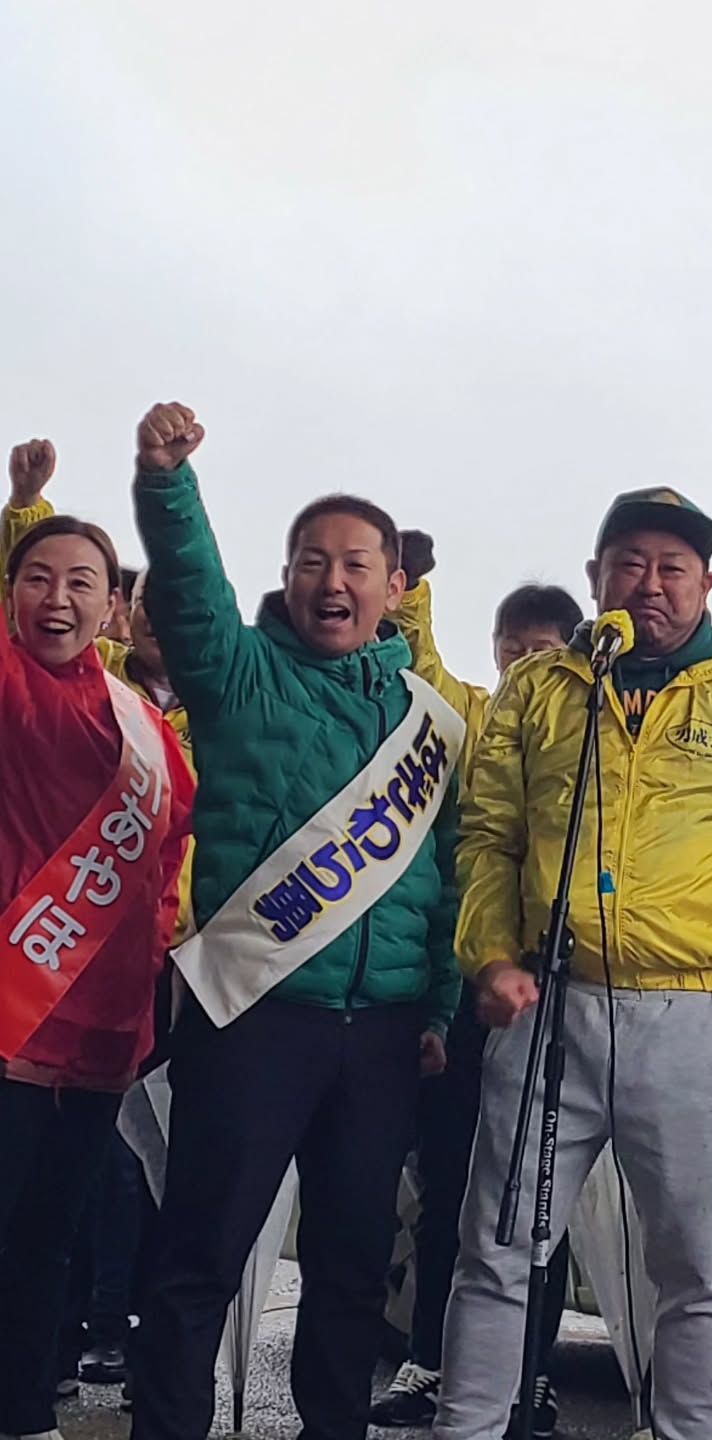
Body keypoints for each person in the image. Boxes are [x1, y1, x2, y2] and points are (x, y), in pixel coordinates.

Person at [435, 486, 712, 1440]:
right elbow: (489, 835)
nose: (650, 584)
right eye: (629, 563)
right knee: (499, 1249)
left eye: (673, 568)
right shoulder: (541, 691)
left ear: (707, 583)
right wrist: (491, 956)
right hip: (551, 1002)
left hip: (695, 1016)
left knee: (698, 1269)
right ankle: (468, 1426)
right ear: (597, 577)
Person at [124, 403, 463, 1440]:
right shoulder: (241, 676)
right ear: (288, 574)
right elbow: (192, 593)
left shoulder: (429, 723)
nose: (334, 581)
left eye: (358, 564)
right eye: (314, 561)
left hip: (384, 1033)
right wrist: (169, 484)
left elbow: (449, 878)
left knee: (353, 1268)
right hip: (254, 1014)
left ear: (395, 588)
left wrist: (439, 1008)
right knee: (200, 1259)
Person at [370, 532, 583, 1440]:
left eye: (544, 650)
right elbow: (420, 666)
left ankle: (531, 1378)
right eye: (513, 648)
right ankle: (430, 1360)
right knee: (451, 1187)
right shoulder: (467, 718)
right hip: (466, 988)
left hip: (553, 994)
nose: (526, 663)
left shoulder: (593, 735)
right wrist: (412, 589)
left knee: (541, 1199)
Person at [5, 440, 200, 1399]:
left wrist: (144, 979)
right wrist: (25, 505)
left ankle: (27, 1407)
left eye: (81, 582)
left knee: (50, 1237)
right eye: (36, 578)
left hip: (99, 1026)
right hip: (9, 1005)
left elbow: (165, 862)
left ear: (112, 606)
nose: (58, 598)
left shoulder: (143, 724)